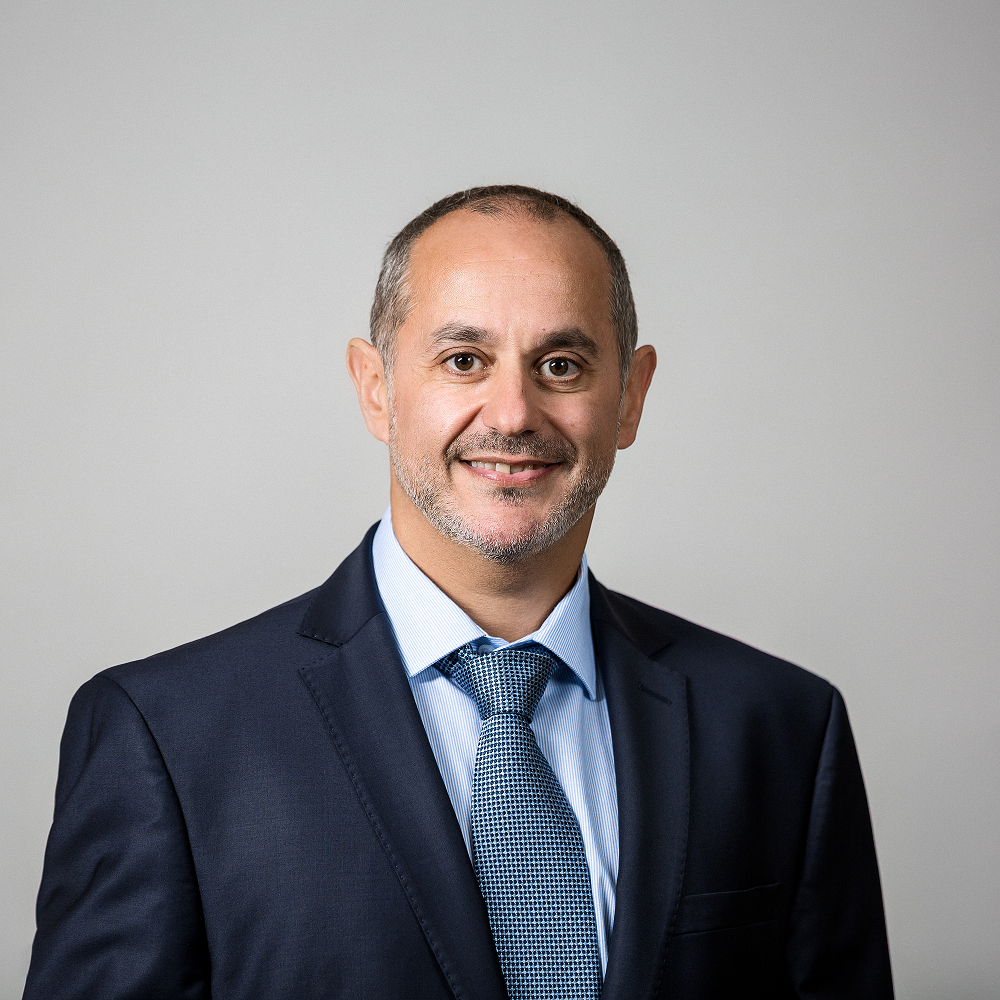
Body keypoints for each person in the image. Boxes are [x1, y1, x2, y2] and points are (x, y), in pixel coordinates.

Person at [24, 185, 893, 999]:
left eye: (561, 364)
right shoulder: (167, 735)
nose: (512, 414)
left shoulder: (782, 726)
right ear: (376, 388)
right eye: (464, 359)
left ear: (630, 397)